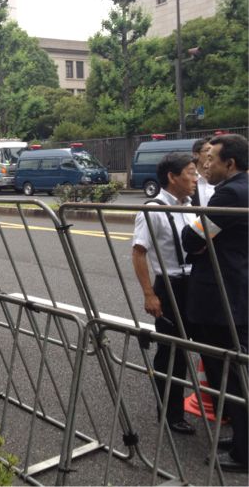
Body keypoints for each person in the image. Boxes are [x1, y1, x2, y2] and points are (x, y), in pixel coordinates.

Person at [182, 134, 248, 472]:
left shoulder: (230, 194)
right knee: (234, 371)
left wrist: (198, 242)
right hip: (236, 292)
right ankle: (241, 439)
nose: (206, 165)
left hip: (223, 299)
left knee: (230, 374)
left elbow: (191, 237)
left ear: (230, 163)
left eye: (212, 159)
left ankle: (244, 452)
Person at [131, 153, 198, 435]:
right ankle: (171, 413)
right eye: (191, 172)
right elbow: (138, 252)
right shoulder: (153, 210)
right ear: (172, 177)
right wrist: (149, 294)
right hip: (170, 287)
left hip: (195, 285)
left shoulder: (191, 206)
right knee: (172, 353)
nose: (196, 178)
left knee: (209, 347)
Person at [191, 136, 214, 207]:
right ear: (196, 155)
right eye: (208, 150)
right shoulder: (188, 178)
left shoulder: (222, 178)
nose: (211, 154)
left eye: (214, 151)